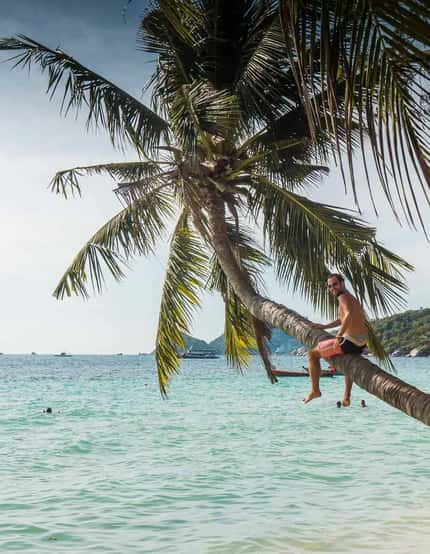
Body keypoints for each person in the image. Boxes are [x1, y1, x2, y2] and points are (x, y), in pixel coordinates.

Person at [303, 273, 367, 405]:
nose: (333, 288)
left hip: (349, 342)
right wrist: (325, 326)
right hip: (360, 344)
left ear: (342, 283)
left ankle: (315, 390)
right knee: (347, 365)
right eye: (330, 286)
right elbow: (342, 318)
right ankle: (347, 397)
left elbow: (348, 315)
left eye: (335, 284)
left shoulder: (342, 297)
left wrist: (339, 335)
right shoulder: (351, 298)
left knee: (312, 354)